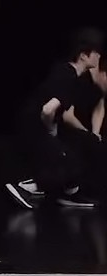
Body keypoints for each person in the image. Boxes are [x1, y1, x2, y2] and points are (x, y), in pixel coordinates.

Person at [4, 27, 104, 210]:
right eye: (95, 52)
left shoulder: (69, 73)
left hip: (34, 123)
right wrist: (50, 131)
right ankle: (25, 187)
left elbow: (60, 111)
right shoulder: (68, 76)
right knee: (64, 159)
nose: (99, 56)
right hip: (33, 126)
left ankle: (70, 193)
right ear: (83, 55)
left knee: (83, 143)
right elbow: (48, 109)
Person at [59, 54, 107, 199]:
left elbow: (99, 107)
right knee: (89, 145)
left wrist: (95, 132)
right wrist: (88, 133)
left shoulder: (100, 86)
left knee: (98, 143)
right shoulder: (80, 80)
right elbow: (67, 116)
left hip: (83, 129)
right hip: (65, 128)